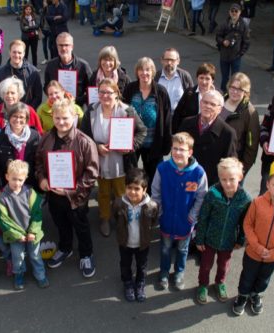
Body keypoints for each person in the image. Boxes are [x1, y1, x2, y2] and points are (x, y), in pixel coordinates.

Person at [35, 99, 99, 278]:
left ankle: (86, 254)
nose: (61, 122)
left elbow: (91, 174)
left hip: (75, 197)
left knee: (81, 226)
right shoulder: (46, 138)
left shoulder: (85, 142)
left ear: (75, 117)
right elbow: (39, 161)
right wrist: (42, 179)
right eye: (57, 118)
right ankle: (65, 248)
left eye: (65, 118)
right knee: (61, 224)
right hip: (54, 195)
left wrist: (70, 191)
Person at [233, 161, 274, 316]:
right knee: (247, 276)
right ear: (268, 184)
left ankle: (255, 294)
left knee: (264, 278)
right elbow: (248, 224)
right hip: (253, 252)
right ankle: (243, 295)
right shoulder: (257, 203)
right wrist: (256, 246)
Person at [81, 78, 147, 237]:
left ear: (116, 94)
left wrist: (131, 145)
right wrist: (96, 147)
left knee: (121, 193)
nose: (104, 96)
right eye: (101, 92)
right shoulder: (91, 111)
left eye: (109, 92)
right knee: (103, 192)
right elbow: (83, 136)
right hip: (100, 160)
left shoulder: (127, 111)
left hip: (121, 161)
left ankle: (122, 218)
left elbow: (142, 131)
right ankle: (104, 218)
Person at [151, 132, 208, 291]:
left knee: (183, 249)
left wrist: (192, 216)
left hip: (185, 221)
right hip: (166, 219)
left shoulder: (199, 173)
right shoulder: (162, 168)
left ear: (190, 152)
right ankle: (163, 272)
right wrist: (160, 212)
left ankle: (179, 272)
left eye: (182, 149)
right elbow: (155, 192)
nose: (177, 152)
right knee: (165, 248)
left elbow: (201, 197)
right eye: (175, 148)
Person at [195, 157, 251, 304]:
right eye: (223, 179)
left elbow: (245, 222)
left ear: (240, 177)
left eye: (231, 179)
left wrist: (240, 240)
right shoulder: (212, 194)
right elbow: (203, 217)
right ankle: (203, 285)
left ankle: (220, 282)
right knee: (205, 265)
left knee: (223, 265)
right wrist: (199, 238)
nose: (227, 183)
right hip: (209, 239)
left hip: (228, 240)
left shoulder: (244, 198)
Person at [0, 160, 49, 290]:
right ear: (7, 176)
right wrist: (17, 235)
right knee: (17, 257)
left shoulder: (30, 193)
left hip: (31, 234)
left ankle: (40, 275)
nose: (17, 183)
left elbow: (37, 214)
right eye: (13, 179)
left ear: (25, 179)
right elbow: (3, 220)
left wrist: (33, 231)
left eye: (20, 180)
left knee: (35, 255)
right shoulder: (2, 199)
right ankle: (19, 274)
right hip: (16, 236)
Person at [122, 57, 172, 190]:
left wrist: (166, 144)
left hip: (153, 143)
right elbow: (122, 113)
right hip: (132, 142)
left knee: (152, 177)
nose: (144, 73)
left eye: (148, 70)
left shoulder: (161, 92)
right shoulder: (130, 89)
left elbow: (167, 120)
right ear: (137, 72)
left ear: (153, 72)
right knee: (131, 175)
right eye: (141, 70)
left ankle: (148, 205)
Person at [113, 168, 158, 302]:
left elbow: (153, 221)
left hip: (142, 243)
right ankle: (127, 283)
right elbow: (116, 217)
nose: (132, 192)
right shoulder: (119, 203)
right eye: (129, 187)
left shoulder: (151, 206)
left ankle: (140, 283)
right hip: (125, 242)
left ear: (144, 190)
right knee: (125, 264)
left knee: (141, 265)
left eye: (137, 188)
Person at [178, 90, 237, 186]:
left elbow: (228, 166)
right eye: (205, 102)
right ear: (200, 103)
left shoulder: (228, 133)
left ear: (220, 109)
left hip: (210, 186)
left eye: (213, 104)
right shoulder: (186, 123)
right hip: (184, 179)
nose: (208, 106)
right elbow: (176, 151)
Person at [0, 103, 41, 191]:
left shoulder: (35, 136)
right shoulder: (0, 137)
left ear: (26, 119)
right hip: (7, 186)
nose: (18, 120)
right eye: (14, 116)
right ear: (9, 117)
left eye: (21, 117)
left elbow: (40, 161)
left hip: (31, 185)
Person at [219, 72, 259, 175]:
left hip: (233, 165)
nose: (235, 92)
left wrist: (242, 169)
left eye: (240, 89)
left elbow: (251, 144)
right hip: (214, 158)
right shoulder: (219, 101)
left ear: (246, 92)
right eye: (232, 87)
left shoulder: (250, 112)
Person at [44, 32, 92, 107]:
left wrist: (78, 100)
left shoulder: (83, 66)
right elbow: (46, 86)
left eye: (66, 45)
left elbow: (91, 89)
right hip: (57, 107)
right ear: (57, 46)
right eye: (61, 45)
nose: (63, 48)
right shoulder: (50, 65)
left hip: (77, 106)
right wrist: (54, 96)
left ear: (72, 47)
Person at [0, 40, 43, 109]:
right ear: (9, 52)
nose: (16, 55)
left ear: (24, 54)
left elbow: (38, 96)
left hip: (27, 113)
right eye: (14, 52)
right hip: (8, 113)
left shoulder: (33, 72)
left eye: (19, 53)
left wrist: (27, 110)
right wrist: (8, 109)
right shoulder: (1, 73)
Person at [215, 3, 250, 94]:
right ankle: (224, 93)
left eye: (236, 11)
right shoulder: (224, 24)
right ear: (229, 12)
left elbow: (246, 42)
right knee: (225, 77)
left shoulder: (244, 26)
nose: (234, 13)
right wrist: (223, 42)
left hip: (236, 57)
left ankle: (234, 93)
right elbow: (218, 36)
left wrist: (240, 54)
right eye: (232, 11)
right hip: (224, 56)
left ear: (240, 12)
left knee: (235, 78)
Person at [172, 63, 216, 133]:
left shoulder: (217, 96)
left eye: (207, 79)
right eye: (201, 78)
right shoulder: (189, 93)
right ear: (197, 78)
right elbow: (178, 114)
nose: (204, 82)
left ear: (212, 80)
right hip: (189, 133)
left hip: (208, 133)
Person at [20, 3, 40, 68]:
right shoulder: (22, 18)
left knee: (34, 53)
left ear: (31, 10)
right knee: (25, 53)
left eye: (29, 9)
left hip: (34, 37)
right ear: (24, 10)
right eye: (26, 9)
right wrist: (32, 27)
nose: (28, 11)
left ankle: (35, 66)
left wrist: (28, 27)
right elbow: (23, 29)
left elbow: (37, 26)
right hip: (26, 38)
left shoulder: (35, 17)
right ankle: (24, 66)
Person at [40, 0, 52, 64]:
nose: (43, 3)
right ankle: (46, 58)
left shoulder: (51, 10)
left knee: (50, 46)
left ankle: (52, 59)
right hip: (44, 29)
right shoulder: (42, 10)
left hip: (50, 30)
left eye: (44, 2)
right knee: (44, 45)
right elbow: (41, 20)